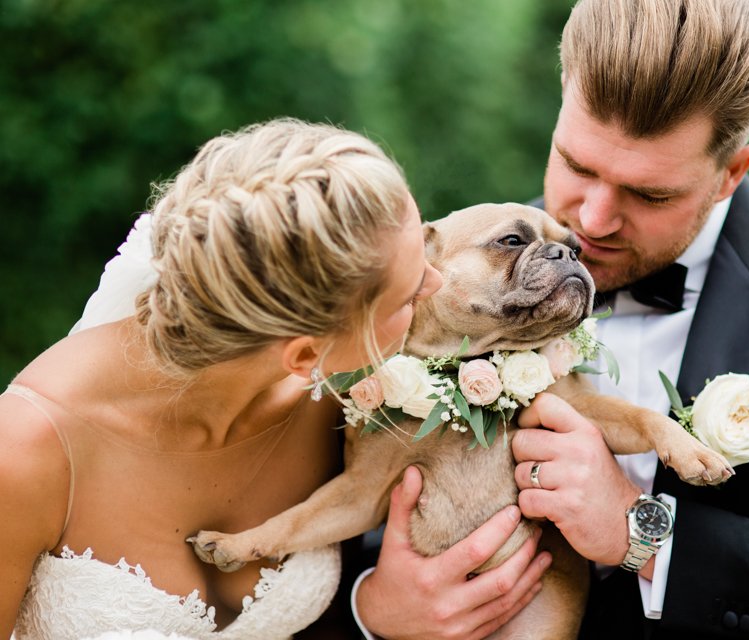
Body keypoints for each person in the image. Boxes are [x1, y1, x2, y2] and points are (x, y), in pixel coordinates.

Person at [355, 0, 749, 638]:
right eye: (576, 165)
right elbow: (346, 509)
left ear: (732, 172)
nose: (592, 221)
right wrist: (374, 607)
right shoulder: (453, 277)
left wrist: (645, 535)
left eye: (650, 194)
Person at [0, 118, 551, 639]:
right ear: (305, 353)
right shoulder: (27, 451)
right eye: (409, 296)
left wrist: (375, 612)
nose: (436, 282)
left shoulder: (356, 394)